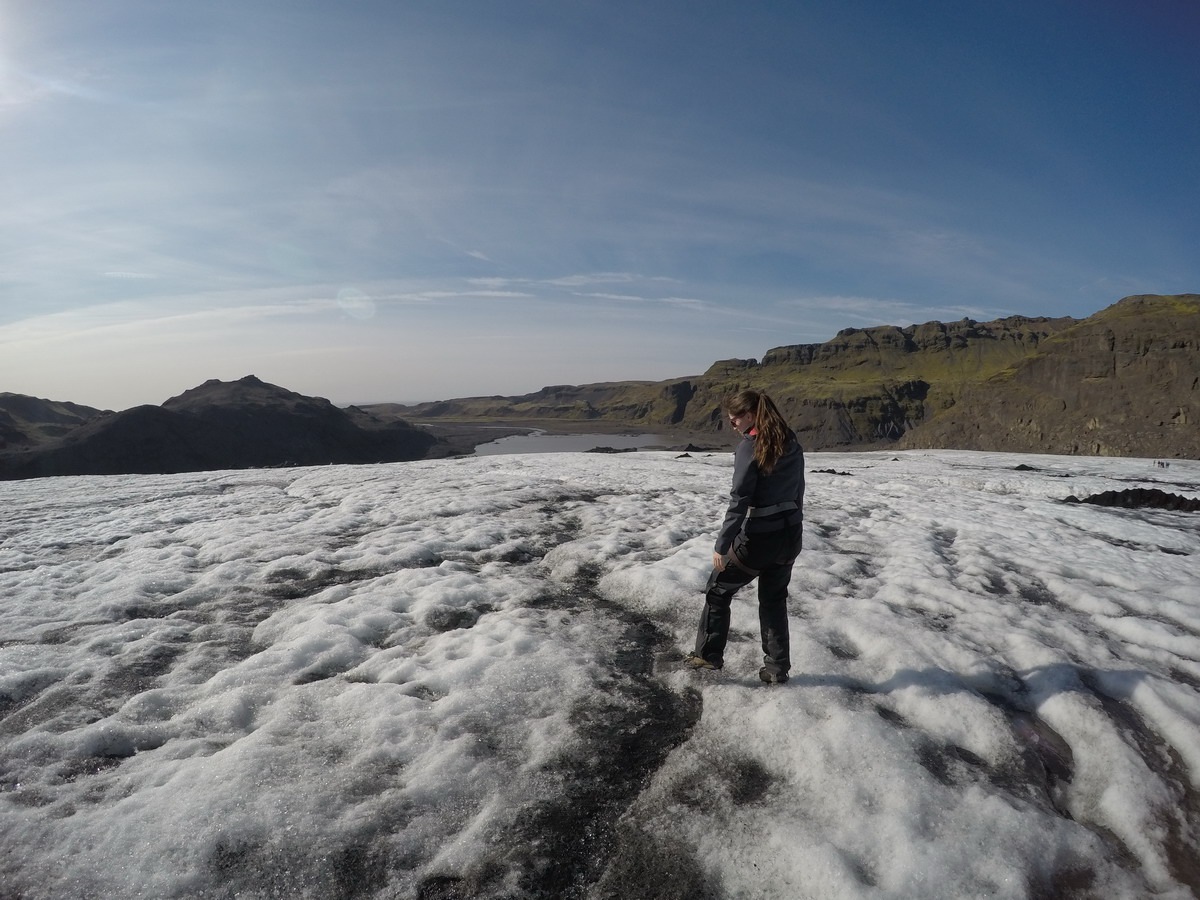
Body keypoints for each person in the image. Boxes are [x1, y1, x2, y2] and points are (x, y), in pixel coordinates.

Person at [687, 389, 805, 684]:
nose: (733, 425)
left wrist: (722, 545)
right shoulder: (790, 440)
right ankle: (777, 670)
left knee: (717, 590)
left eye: (734, 419)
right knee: (773, 600)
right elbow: (799, 489)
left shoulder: (750, 447)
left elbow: (739, 499)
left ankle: (707, 656)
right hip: (790, 535)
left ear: (749, 415)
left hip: (759, 538)